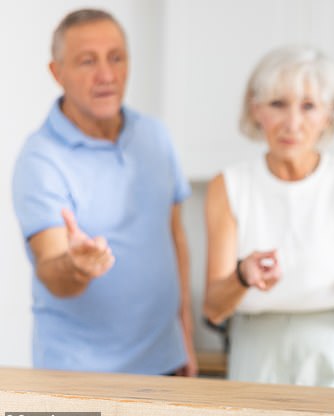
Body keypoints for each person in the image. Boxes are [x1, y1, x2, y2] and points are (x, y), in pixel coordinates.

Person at [12, 9, 197, 376]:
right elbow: (53, 270)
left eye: (116, 58)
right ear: (57, 72)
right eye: (87, 61)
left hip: (166, 365)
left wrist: (185, 338)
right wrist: (75, 266)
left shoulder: (155, 136)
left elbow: (175, 239)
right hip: (81, 376)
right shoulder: (40, 159)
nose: (107, 76)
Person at [203, 46, 334, 389]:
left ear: (329, 114)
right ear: (256, 110)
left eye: (309, 106)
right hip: (258, 353)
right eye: (277, 104)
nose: (292, 123)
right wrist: (243, 275)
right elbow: (213, 309)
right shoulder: (229, 186)